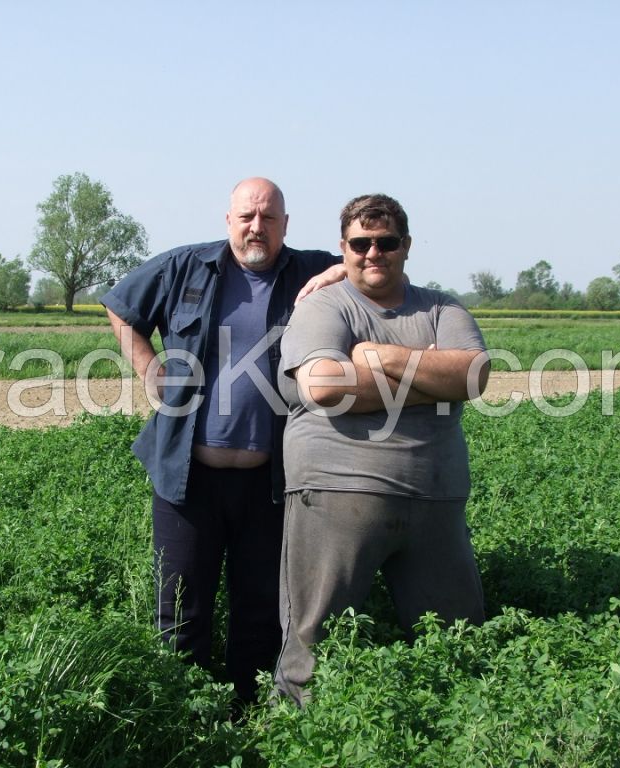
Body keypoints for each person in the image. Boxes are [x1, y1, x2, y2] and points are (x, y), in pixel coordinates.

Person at [100, 177, 344, 705]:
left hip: (270, 482)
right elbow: (119, 307)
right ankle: (181, 715)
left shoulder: (306, 270)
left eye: (269, 218)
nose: (257, 227)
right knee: (180, 605)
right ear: (228, 220)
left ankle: (245, 716)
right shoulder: (185, 267)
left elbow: (368, 262)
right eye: (247, 216)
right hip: (188, 479)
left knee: (259, 607)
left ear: (285, 224)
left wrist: (339, 270)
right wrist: (148, 369)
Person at [273, 193, 490, 706]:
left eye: (386, 242)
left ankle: (457, 737)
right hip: (335, 493)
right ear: (343, 248)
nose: (374, 253)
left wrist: (380, 355)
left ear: (406, 246)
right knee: (314, 638)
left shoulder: (442, 307)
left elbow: (475, 375)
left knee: (455, 639)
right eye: (361, 243)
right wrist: (431, 379)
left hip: (435, 497)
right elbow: (324, 385)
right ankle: (298, 737)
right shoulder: (324, 305)